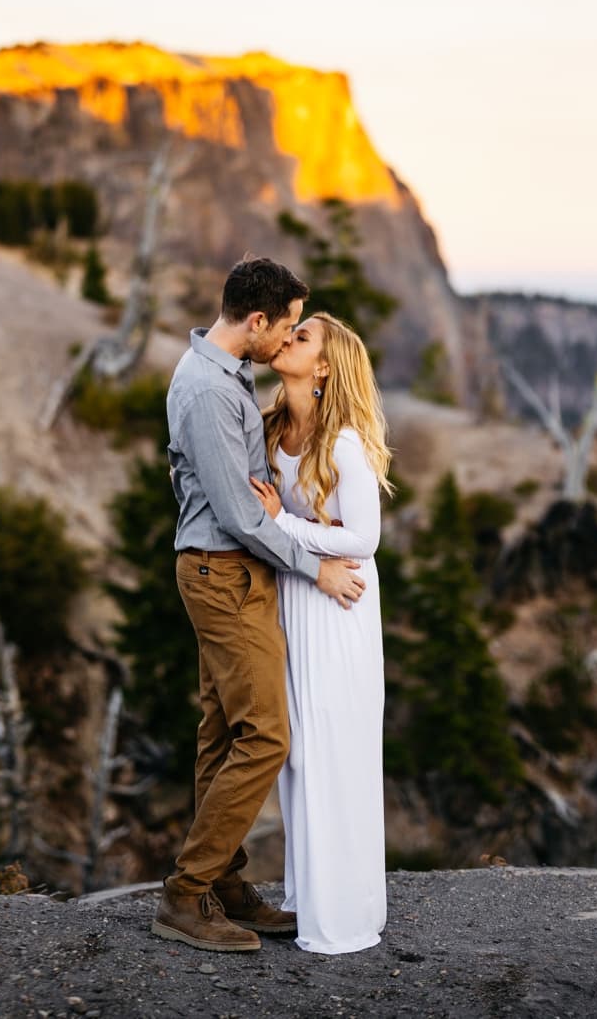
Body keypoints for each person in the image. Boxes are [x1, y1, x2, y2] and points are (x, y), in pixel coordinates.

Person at [150, 258, 368, 954]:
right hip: (224, 574)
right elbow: (242, 517)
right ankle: (187, 896)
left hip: (235, 573)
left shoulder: (229, 374)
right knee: (267, 735)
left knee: (221, 732)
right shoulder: (209, 392)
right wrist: (316, 569)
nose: (290, 338)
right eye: (289, 326)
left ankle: (226, 882)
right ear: (256, 322)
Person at [251, 312, 393, 954]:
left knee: (335, 753)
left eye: (302, 337)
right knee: (299, 755)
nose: (287, 339)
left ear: (326, 366)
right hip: (292, 597)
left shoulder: (344, 444)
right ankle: (309, 899)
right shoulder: (270, 425)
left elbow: (364, 539)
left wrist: (287, 528)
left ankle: (344, 918)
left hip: (338, 608)